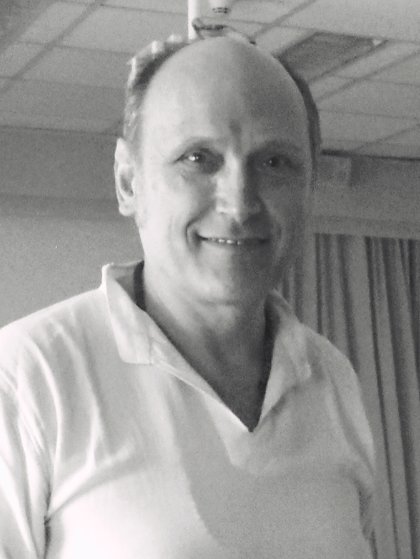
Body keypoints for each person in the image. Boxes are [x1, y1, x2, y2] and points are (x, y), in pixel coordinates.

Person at [0, 34, 375, 558]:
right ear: (128, 182)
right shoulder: (27, 376)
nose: (239, 203)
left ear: (310, 186)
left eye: (275, 163)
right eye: (198, 158)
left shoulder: (331, 378)